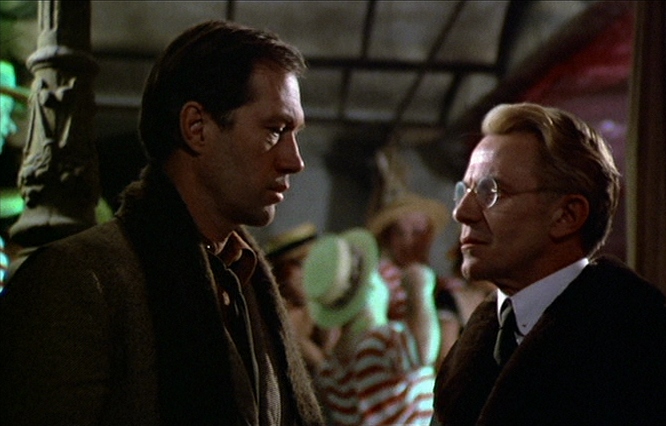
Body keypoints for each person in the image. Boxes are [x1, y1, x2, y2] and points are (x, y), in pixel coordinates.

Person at [0, 20, 324, 426]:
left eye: (294, 134)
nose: (294, 160)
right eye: (275, 131)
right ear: (196, 128)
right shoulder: (79, 280)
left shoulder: (249, 281)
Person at [432, 102, 666, 425]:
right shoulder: (470, 356)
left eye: (490, 192)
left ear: (567, 216)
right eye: (464, 191)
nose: (462, 212)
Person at [304, 228, 437, 426]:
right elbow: (423, 352)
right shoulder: (380, 340)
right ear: (371, 286)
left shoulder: (329, 369)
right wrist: (420, 289)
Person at [366, 148, 450, 369]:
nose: (409, 241)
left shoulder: (439, 277)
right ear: (389, 238)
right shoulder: (381, 276)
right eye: (401, 233)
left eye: (418, 232)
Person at [265, 222, 340, 375]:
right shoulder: (286, 316)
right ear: (281, 273)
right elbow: (327, 371)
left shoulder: (320, 306)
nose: (310, 272)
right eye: (301, 264)